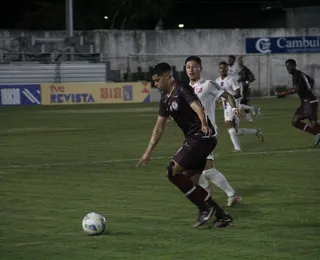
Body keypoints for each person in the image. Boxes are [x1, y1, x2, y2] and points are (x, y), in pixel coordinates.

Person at [137, 62, 234, 228]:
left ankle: (204, 210)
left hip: (201, 137)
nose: (155, 84)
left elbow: (197, 107)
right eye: (154, 81)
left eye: (158, 80)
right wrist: (148, 152)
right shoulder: (164, 98)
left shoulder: (181, 89)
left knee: (172, 172)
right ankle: (222, 216)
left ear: (167, 77)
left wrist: (203, 124)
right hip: (195, 140)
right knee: (190, 184)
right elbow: (158, 128)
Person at [185, 55, 241, 207]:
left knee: (207, 169)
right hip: (192, 134)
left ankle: (232, 194)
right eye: (188, 67)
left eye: (195, 66)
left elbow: (228, 95)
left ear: (200, 68)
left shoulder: (208, 84)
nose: (191, 69)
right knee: (188, 169)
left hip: (207, 133)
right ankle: (207, 188)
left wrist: (234, 108)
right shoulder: (186, 89)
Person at [216, 61, 264, 152]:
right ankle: (255, 131)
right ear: (219, 69)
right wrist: (219, 100)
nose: (222, 69)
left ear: (227, 69)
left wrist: (228, 98)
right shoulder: (217, 81)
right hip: (226, 106)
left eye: (224, 68)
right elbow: (219, 94)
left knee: (229, 124)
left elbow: (238, 94)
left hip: (234, 105)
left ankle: (237, 148)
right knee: (234, 130)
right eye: (220, 68)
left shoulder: (231, 79)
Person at [277, 59, 320, 146]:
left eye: (289, 66)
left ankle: (317, 134)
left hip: (310, 100)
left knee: (313, 122)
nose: (288, 68)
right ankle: (317, 134)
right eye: (286, 66)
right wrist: (306, 90)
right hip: (305, 101)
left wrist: (282, 93)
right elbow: (311, 81)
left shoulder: (297, 75)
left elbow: (295, 89)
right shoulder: (298, 74)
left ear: (294, 66)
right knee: (295, 121)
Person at [237, 56, 261, 121]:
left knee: (242, 102)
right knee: (243, 102)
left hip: (245, 88)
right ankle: (252, 113)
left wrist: (247, 81)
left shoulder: (245, 69)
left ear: (242, 62)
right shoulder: (237, 70)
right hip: (239, 88)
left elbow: (252, 77)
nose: (239, 62)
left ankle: (250, 114)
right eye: (238, 61)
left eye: (240, 61)